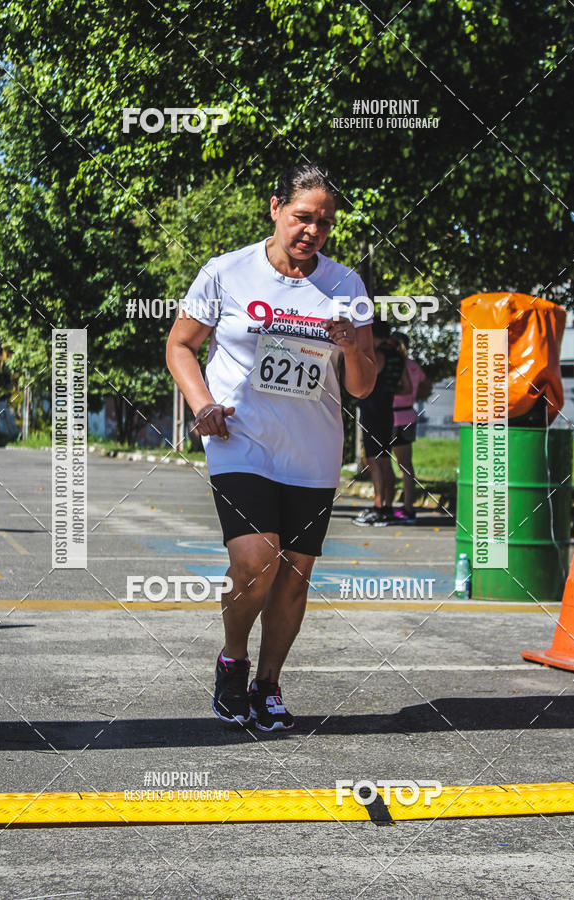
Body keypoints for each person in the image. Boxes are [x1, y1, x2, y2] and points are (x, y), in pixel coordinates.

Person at [166, 163, 376, 731]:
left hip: (312, 448)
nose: (311, 231)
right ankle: (233, 660)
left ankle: (268, 684)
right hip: (241, 438)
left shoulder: (346, 285)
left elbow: (362, 384)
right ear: (275, 209)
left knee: (295, 573)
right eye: (302, 217)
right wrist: (201, 402)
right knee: (257, 558)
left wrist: (353, 347)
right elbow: (181, 345)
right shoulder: (226, 272)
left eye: (324, 224)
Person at [352, 320, 412, 526]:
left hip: (372, 412)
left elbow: (364, 379)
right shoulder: (398, 357)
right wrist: (388, 391)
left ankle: (378, 506)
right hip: (387, 412)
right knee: (385, 461)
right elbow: (406, 388)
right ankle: (387, 506)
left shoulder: (377, 355)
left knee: (374, 461)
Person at [391, 332, 432, 524]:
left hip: (391, 416)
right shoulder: (414, 366)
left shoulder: (392, 364)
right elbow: (427, 386)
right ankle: (408, 507)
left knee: (381, 463)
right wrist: (413, 396)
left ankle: (384, 504)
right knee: (406, 465)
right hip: (408, 415)